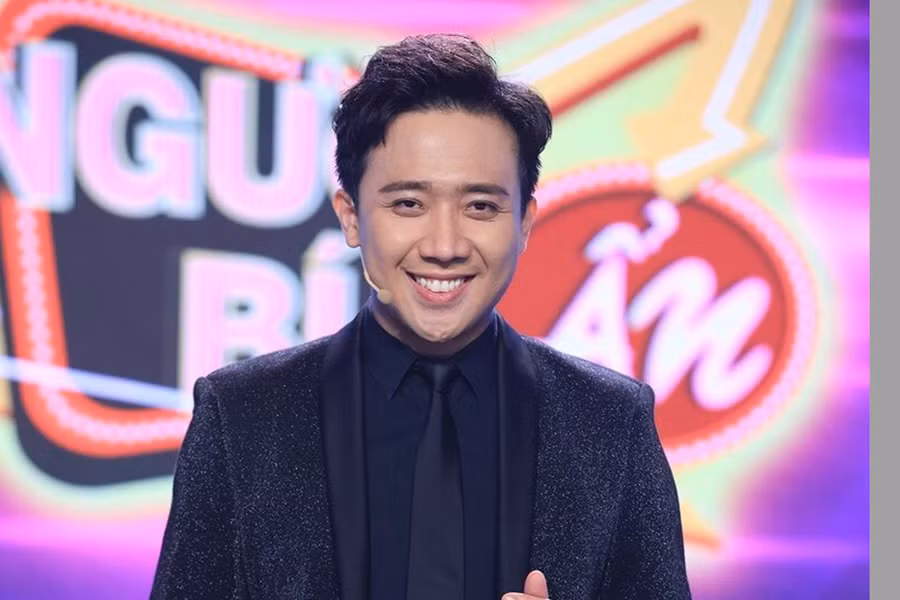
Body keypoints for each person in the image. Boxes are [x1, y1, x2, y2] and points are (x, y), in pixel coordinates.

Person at [150, 33, 692, 600]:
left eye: (480, 206)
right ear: (351, 216)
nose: (444, 245)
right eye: (408, 204)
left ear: (524, 223)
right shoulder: (242, 414)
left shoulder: (611, 420)